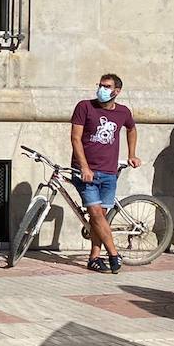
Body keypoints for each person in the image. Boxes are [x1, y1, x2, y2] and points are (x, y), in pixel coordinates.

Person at [70, 72, 140, 274]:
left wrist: (132, 153)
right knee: (95, 213)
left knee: (100, 217)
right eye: (100, 85)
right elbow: (75, 138)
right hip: (86, 171)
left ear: (117, 91)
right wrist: (83, 167)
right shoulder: (84, 106)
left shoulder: (123, 112)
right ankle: (113, 253)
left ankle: (94, 257)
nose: (102, 89)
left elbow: (132, 129)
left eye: (107, 86)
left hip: (109, 171)